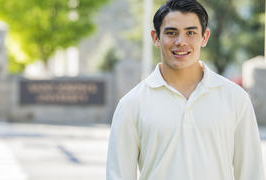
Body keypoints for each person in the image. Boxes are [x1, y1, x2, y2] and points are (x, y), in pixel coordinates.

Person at [106, 0, 265, 179]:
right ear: (156, 37)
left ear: (204, 37)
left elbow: (252, 173)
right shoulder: (131, 104)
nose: (181, 42)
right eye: (171, 33)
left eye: (190, 33)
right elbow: (118, 175)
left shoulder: (235, 99)